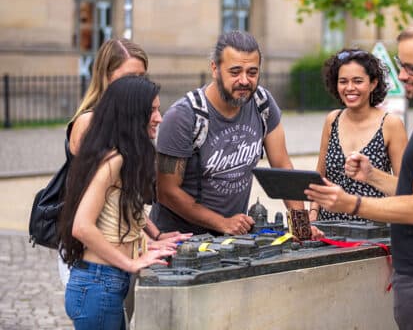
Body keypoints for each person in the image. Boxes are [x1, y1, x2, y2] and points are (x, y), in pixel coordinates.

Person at [307, 21, 413, 329]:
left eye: (411, 69)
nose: (401, 75)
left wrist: (351, 204)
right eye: (401, 66)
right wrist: (373, 176)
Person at [150, 30, 320, 237]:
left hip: (232, 239)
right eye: (235, 71)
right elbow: (167, 192)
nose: (244, 80)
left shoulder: (262, 104)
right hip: (178, 240)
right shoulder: (183, 116)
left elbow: (283, 166)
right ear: (215, 68)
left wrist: (301, 227)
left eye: (252, 72)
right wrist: (222, 222)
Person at [58, 76, 177, 330]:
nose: (160, 118)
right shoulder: (114, 161)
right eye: (152, 111)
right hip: (98, 285)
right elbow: (81, 226)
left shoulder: (121, 156)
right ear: (133, 115)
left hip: (105, 283)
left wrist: (152, 242)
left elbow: (119, 217)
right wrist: (131, 263)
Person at [308, 49, 407, 222]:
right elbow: (320, 177)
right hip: (329, 231)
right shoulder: (332, 120)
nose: (349, 88)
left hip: (374, 232)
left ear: (373, 83)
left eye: (358, 81)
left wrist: (372, 174)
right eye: (343, 81)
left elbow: (405, 189)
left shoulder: (391, 124)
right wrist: (313, 213)